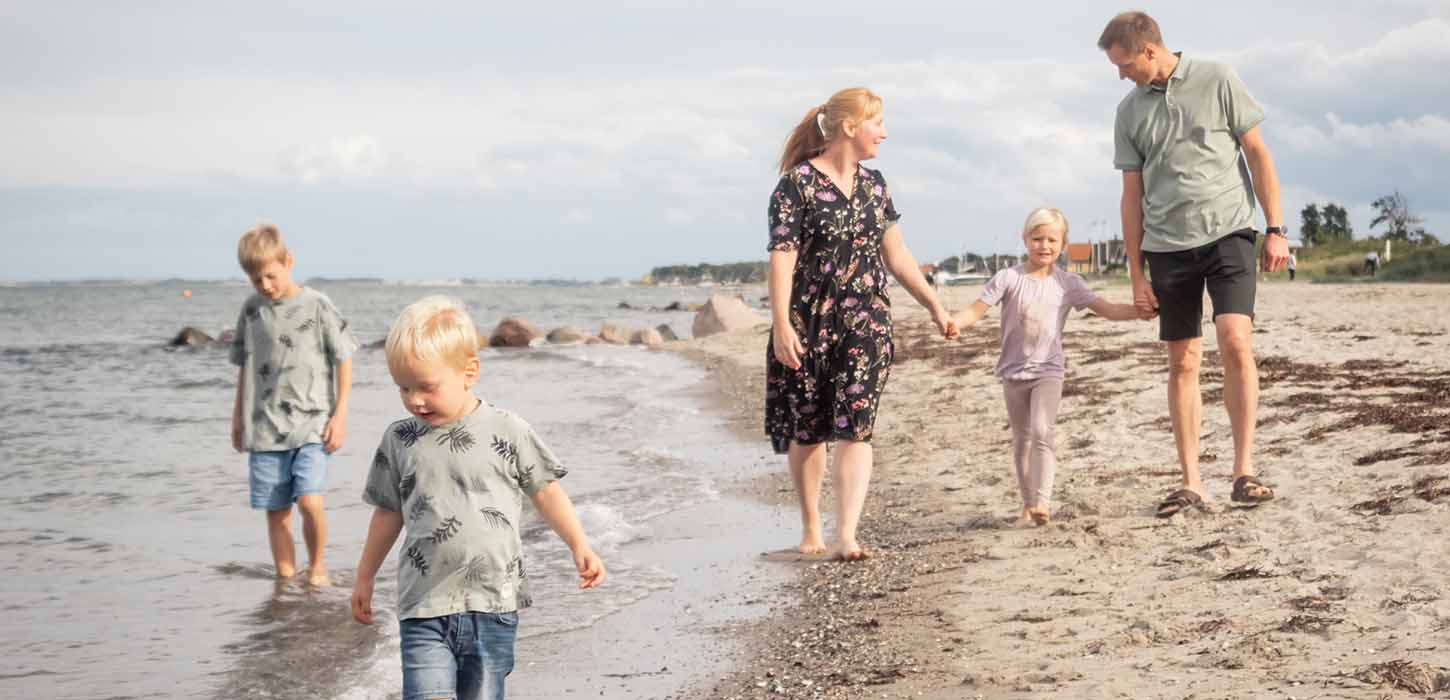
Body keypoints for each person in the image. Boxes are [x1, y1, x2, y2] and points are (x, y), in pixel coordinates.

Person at [351, 296, 605, 700]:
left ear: (469, 372)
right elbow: (387, 512)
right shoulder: (400, 440)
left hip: (493, 604)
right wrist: (364, 576)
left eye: (426, 387)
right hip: (423, 604)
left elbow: (546, 491)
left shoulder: (508, 430)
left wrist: (580, 545)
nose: (414, 399)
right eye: (403, 388)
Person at [1100, 11, 1286, 517]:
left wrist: (1275, 230)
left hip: (1229, 233)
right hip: (1166, 247)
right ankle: (1191, 482)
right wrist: (1136, 273)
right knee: (1182, 360)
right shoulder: (1128, 111)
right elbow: (1130, 196)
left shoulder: (1217, 77)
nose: (1120, 75)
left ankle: (1243, 471)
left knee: (1235, 341)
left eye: (1123, 64)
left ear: (1148, 50)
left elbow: (1257, 153)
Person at [766, 87, 957, 560]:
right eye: (878, 123)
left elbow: (897, 255)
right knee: (809, 428)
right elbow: (782, 259)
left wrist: (934, 304)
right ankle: (812, 528)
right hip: (808, 321)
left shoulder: (875, 185)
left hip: (866, 321)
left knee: (857, 425)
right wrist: (781, 324)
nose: (884, 133)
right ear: (850, 127)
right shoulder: (797, 185)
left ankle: (847, 534)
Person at [951, 208, 1145, 525]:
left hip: (1048, 371)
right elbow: (975, 310)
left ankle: (1042, 502)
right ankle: (1027, 506)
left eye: (1052, 240)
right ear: (1025, 239)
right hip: (1013, 373)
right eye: (1037, 238)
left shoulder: (1068, 284)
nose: (1044, 246)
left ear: (1063, 243)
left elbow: (1106, 309)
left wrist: (1140, 312)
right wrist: (954, 323)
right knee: (1022, 438)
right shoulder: (1008, 278)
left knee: (1043, 430)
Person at [230, 224, 357, 585]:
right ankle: (286, 578)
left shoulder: (318, 305)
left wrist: (341, 414)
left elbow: (343, 357)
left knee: (309, 502)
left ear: (289, 262)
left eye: (270, 275)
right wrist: (237, 417)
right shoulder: (253, 310)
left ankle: (317, 567)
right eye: (257, 280)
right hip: (265, 427)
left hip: (313, 424)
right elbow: (245, 367)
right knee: (276, 511)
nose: (265, 285)